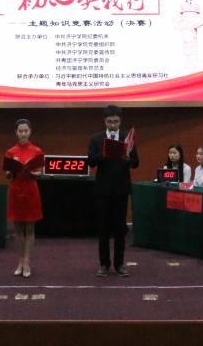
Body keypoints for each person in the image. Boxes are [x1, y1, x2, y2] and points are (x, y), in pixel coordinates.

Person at [87, 105, 138, 277]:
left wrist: (128, 158)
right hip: (103, 190)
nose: (113, 125)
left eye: (116, 121)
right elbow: (90, 162)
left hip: (121, 189)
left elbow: (136, 162)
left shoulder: (126, 138)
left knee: (120, 229)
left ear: (120, 121)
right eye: (110, 122)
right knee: (103, 229)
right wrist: (104, 153)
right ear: (105, 121)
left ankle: (119, 264)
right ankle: (104, 264)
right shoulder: (96, 139)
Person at [5, 118, 43, 277]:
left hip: (31, 191)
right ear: (16, 133)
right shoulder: (10, 152)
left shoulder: (37, 151)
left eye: (25, 131)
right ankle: (20, 260)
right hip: (16, 191)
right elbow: (7, 174)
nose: (23, 134)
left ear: (30, 132)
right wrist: (10, 171)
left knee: (30, 228)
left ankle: (27, 261)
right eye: (20, 131)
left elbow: (40, 173)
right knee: (18, 229)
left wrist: (33, 173)